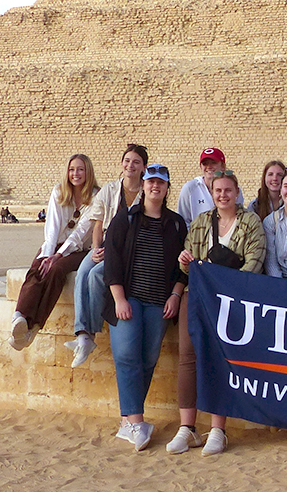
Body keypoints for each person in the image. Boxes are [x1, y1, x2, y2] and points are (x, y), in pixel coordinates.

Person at [168, 169, 266, 457]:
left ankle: (217, 429)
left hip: (232, 301)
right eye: (217, 191)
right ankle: (187, 428)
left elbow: (255, 261)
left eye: (227, 190)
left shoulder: (250, 222)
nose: (222, 195)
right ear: (211, 194)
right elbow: (188, 262)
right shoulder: (200, 224)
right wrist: (185, 260)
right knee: (187, 356)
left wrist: (227, 288)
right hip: (197, 297)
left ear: (236, 192)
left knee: (220, 358)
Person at [103, 164, 187, 452]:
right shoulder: (124, 220)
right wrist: (119, 299)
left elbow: (182, 268)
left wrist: (175, 295)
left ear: (166, 188)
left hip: (158, 302)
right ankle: (137, 422)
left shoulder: (176, 224)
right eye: (150, 181)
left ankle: (128, 421)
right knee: (127, 356)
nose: (155, 187)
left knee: (148, 359)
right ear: (142, 185)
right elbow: (112, 262)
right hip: (128, 300)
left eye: (160, 183)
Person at [66, 143, 148, 368]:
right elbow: (97, 223)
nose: (130, 165)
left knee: (95, 277)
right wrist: (95, 248)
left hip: (127, 252)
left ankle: (90, 332)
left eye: (136, 162)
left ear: (144, 167)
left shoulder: (147, 192)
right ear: (122, 163)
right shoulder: (110, 190)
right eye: (127, 161)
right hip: (104, 245)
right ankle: (82, 334)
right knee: (83, 272)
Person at [9, 154, 99, 350]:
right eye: (72, 169)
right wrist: (47, 254)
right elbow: (52, 228)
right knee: (38, 267)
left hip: (79, 249)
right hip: (55, 245)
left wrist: (58, 256)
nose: (75, 173)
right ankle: (20, 316)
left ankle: (35, 327)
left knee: (56, 270)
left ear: (88, 171)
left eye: (80, 169)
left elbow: (82, 232)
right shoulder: (59, 192)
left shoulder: (95, 196)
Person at [177, 147, 242, 225]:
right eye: (205, 163)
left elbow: (239, 215)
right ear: (201, 167)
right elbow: (183, 221)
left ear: (223, 166)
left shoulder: (233, 189)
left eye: (213, 162)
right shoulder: (190, 188)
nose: (209, 166)